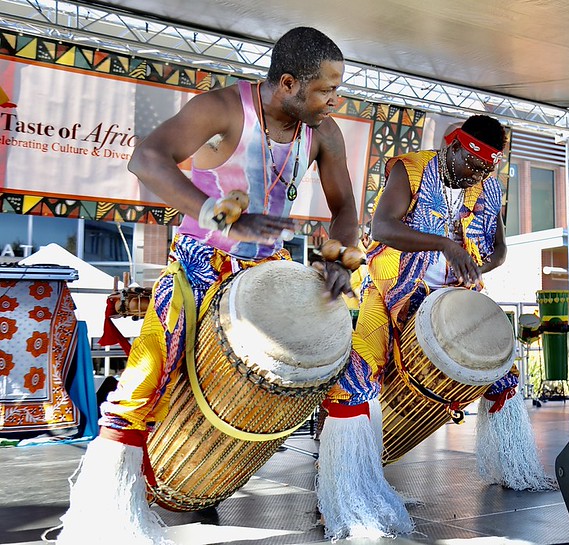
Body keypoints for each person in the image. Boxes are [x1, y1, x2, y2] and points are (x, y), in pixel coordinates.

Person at [55, 27, 358, 545]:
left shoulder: (324, 132)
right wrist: (218, 216)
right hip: (200, 261)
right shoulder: (223, 109)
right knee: (145, 376)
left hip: (268, 268)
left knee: (347, 371)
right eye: (326, 90)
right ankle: (108, 516)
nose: (335, 100)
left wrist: (340, 257)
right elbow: (146, 159)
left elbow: (345, 206)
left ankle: (350, 501)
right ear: (289, 83)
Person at [315, 114, 555, 541]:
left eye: (485, 169)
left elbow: (499, 249)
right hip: (391, 290)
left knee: (502, 370)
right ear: (454, 146)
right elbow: (382, 227)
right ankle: (345, 492)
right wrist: (445, 245)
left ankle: (514, 468)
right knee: (357, 374)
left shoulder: (487, 186)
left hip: (452, 298)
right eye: (471, 165)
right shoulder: (410, 169)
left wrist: (477, 266)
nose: (476, 175)